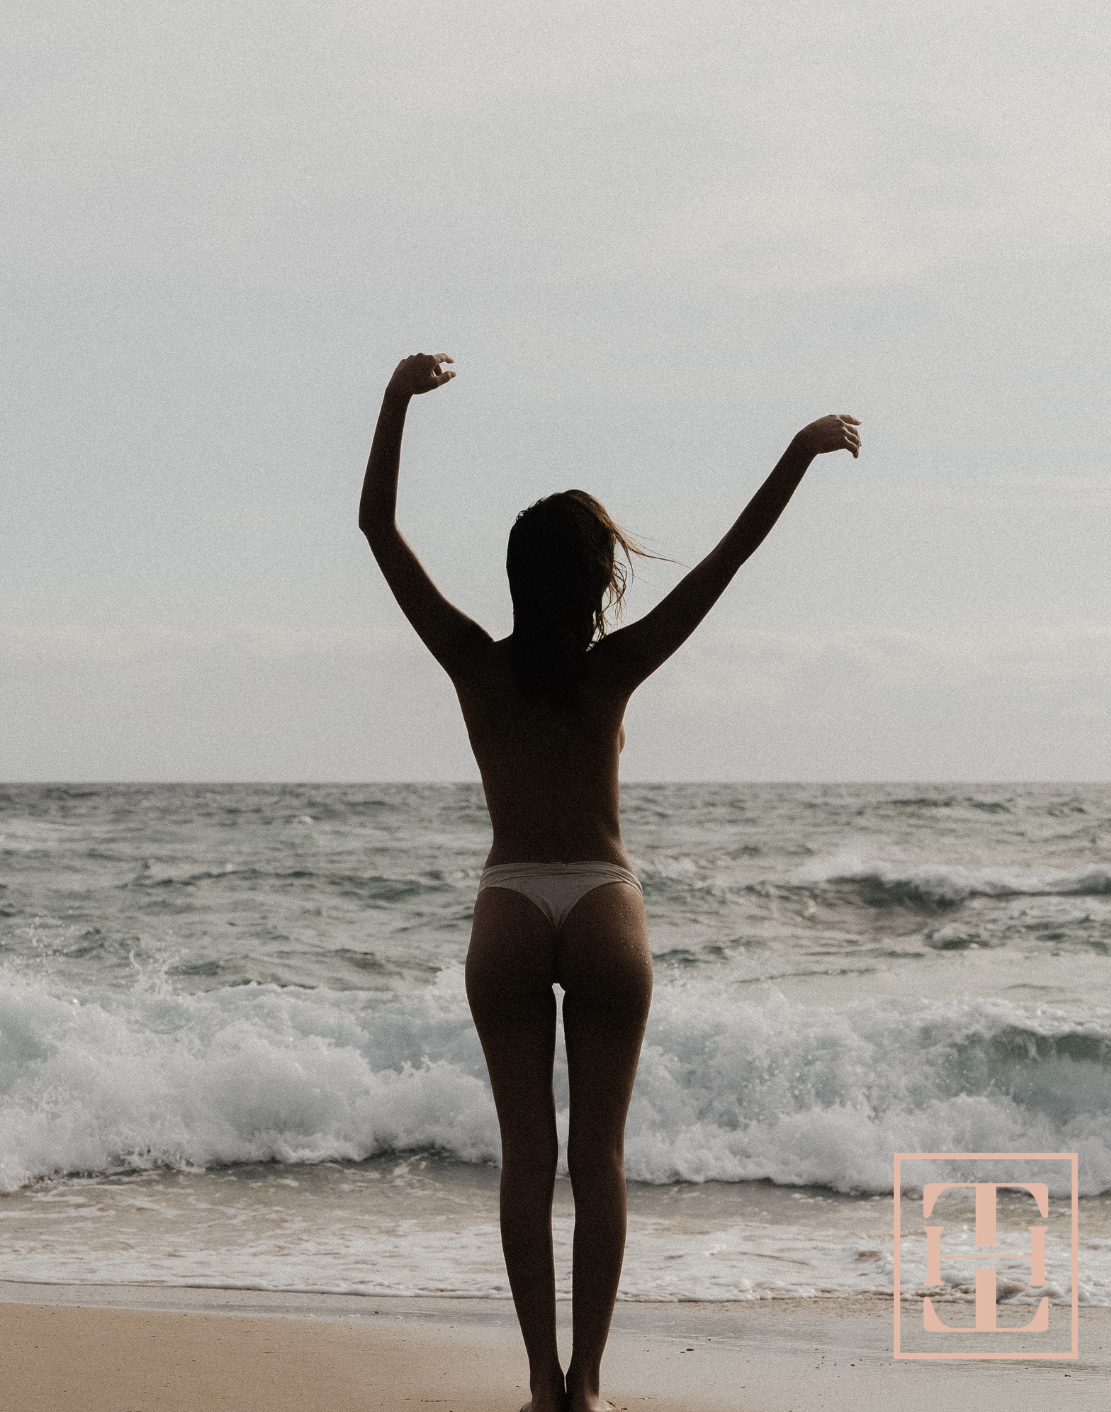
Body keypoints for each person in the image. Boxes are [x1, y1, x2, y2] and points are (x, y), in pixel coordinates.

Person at [359, 352, 861, 1412]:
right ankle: (588, 1383)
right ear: (594, 581)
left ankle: (538, 1382)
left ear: (514, 576)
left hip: (506, 906)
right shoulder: (612, 667)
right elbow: (726, 561)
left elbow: (377, 529)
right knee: (599, 1158)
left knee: (523, 1162)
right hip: (601, 901)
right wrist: (798, 452)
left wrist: (396, 399)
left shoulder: (473, 662)